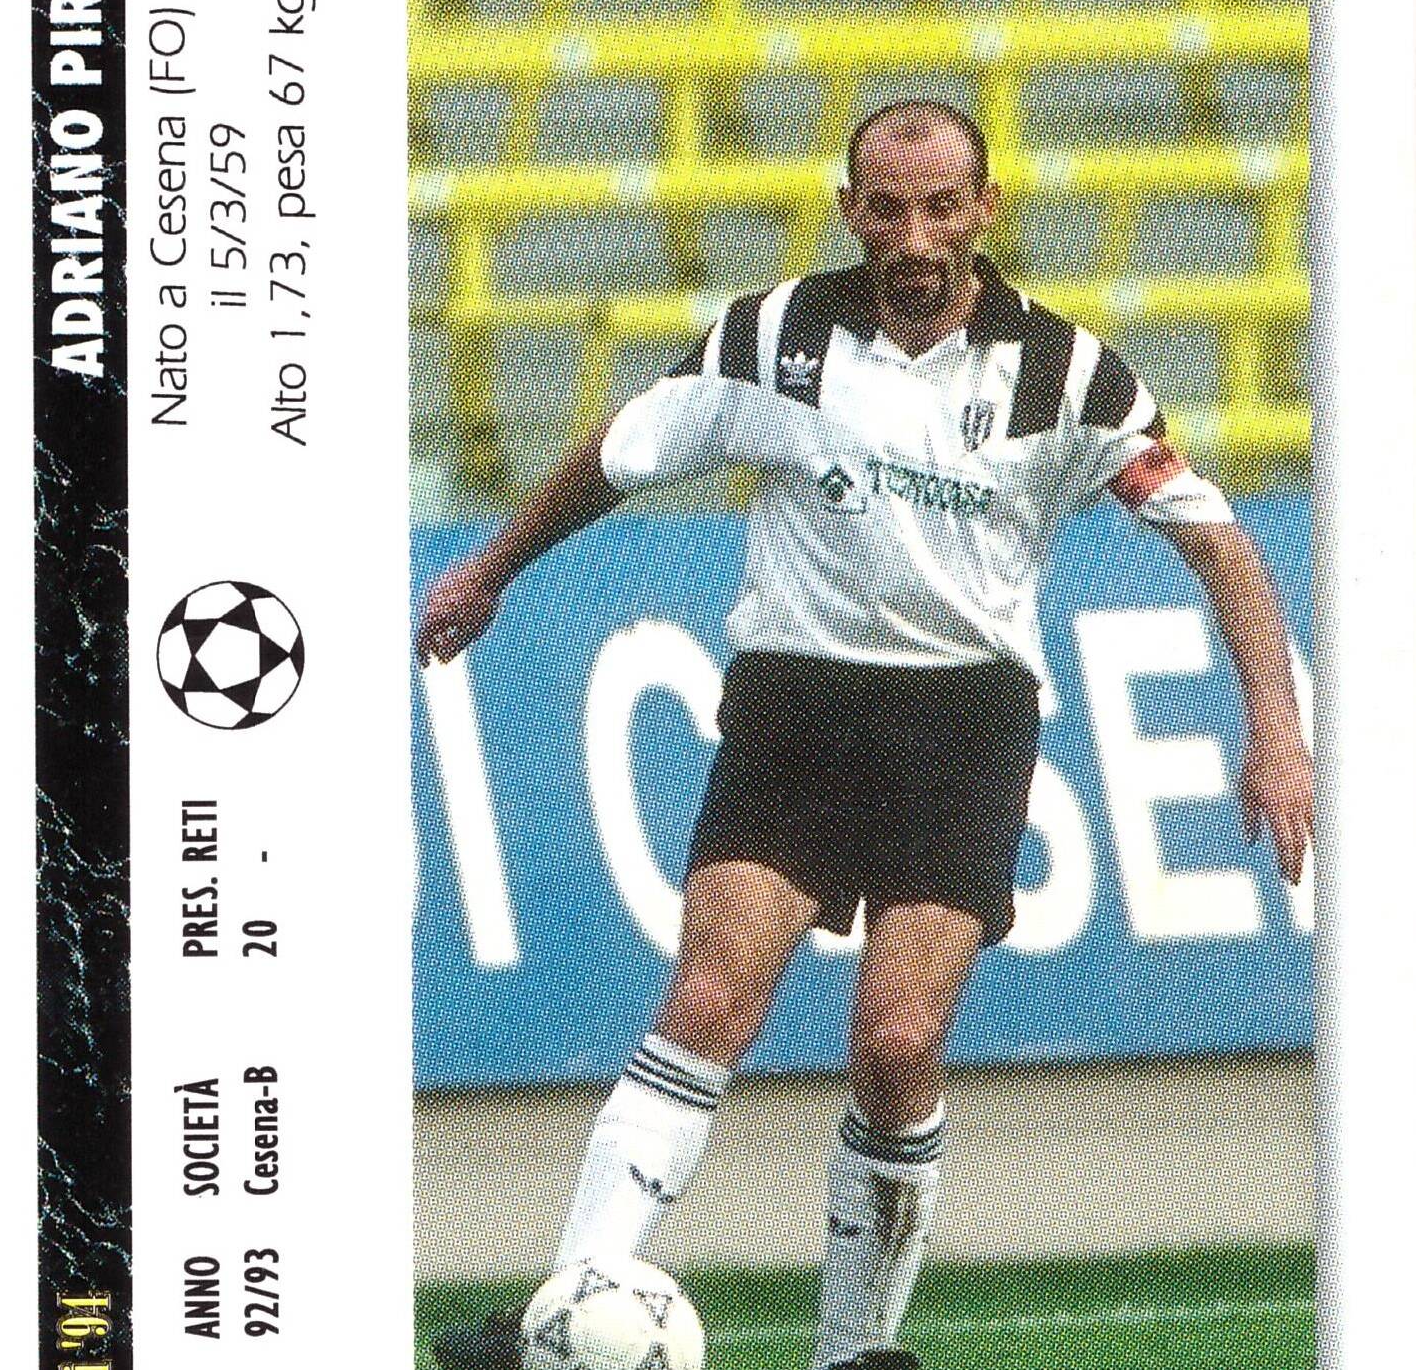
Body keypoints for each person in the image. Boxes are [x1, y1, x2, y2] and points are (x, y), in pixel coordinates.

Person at [418, 100, 1313, 1370]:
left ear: (983, 210)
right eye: (886, 208)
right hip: (795, 702)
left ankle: (853, 1350)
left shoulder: (1068, 374)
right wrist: (490, 569)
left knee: (896, 1043)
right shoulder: (773, 336)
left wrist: (1274, 730)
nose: (914, 234)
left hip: (960, 724)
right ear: (850, 211)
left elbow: (1217, 544)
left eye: (940, 206)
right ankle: (560, 1310)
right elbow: (619, 452)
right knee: (708, 996)